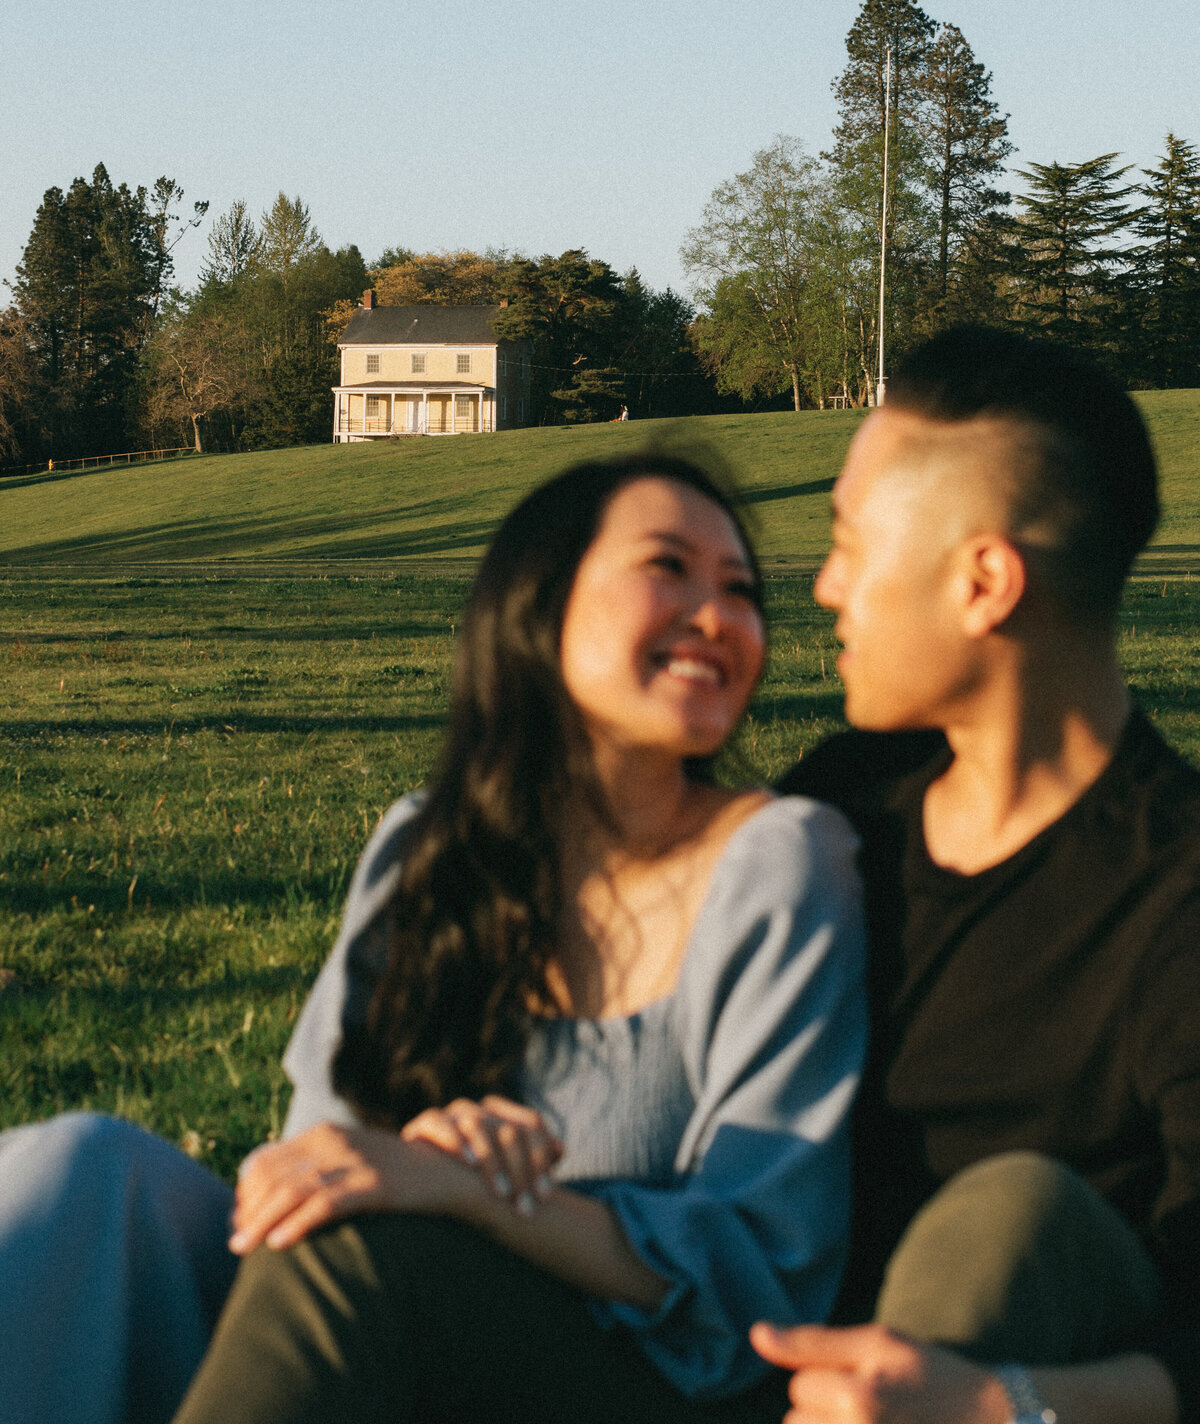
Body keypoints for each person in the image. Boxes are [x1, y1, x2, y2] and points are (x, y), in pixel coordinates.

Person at [0, 454, 864, 1424]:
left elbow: (760, 1271)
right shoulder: (428, 847)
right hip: (377, 1334)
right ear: (541, 603)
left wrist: (472, 1191)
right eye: (669, 568)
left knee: (360, 1251)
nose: (716, 613)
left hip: (639, 1379)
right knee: (83, 1174)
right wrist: (411, 1168)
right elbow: (316, 1163)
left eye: (741, 589)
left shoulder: (778, 859)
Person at [752, 327, 1200, 1424]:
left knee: (1002, 1223)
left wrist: (996, 1406)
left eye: (851, 543)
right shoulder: (835, 810)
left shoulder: (1177, 896)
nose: (824, 588)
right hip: (740, 1355)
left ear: (985, 582)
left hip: (981, 1376)